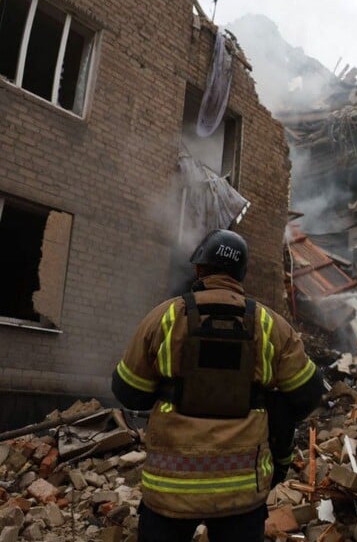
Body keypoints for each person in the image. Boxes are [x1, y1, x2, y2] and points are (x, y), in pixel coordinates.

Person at [112, 229, 324, 542]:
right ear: (242, 273)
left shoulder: (165, 317)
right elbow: (307, 394)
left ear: (199, 269)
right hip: (242, 494)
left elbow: (129, 391)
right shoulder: (270, 325)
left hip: (169, 489)